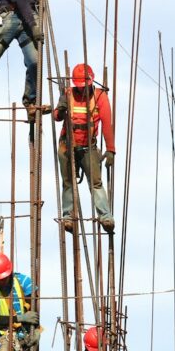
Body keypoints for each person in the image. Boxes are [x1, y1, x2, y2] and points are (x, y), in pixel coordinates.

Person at [52, 63, 115, 233]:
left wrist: (110, 149)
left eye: (84, 86)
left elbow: (107, 124)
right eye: (79, 87)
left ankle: (105, 216)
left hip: (88, 148)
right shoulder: (68, 94)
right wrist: (61, 109)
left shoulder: (100, 96)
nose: (82, 90)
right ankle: (68, 217)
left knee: (96, 183)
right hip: (67, 146)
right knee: (68, 183)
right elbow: (56, 117)